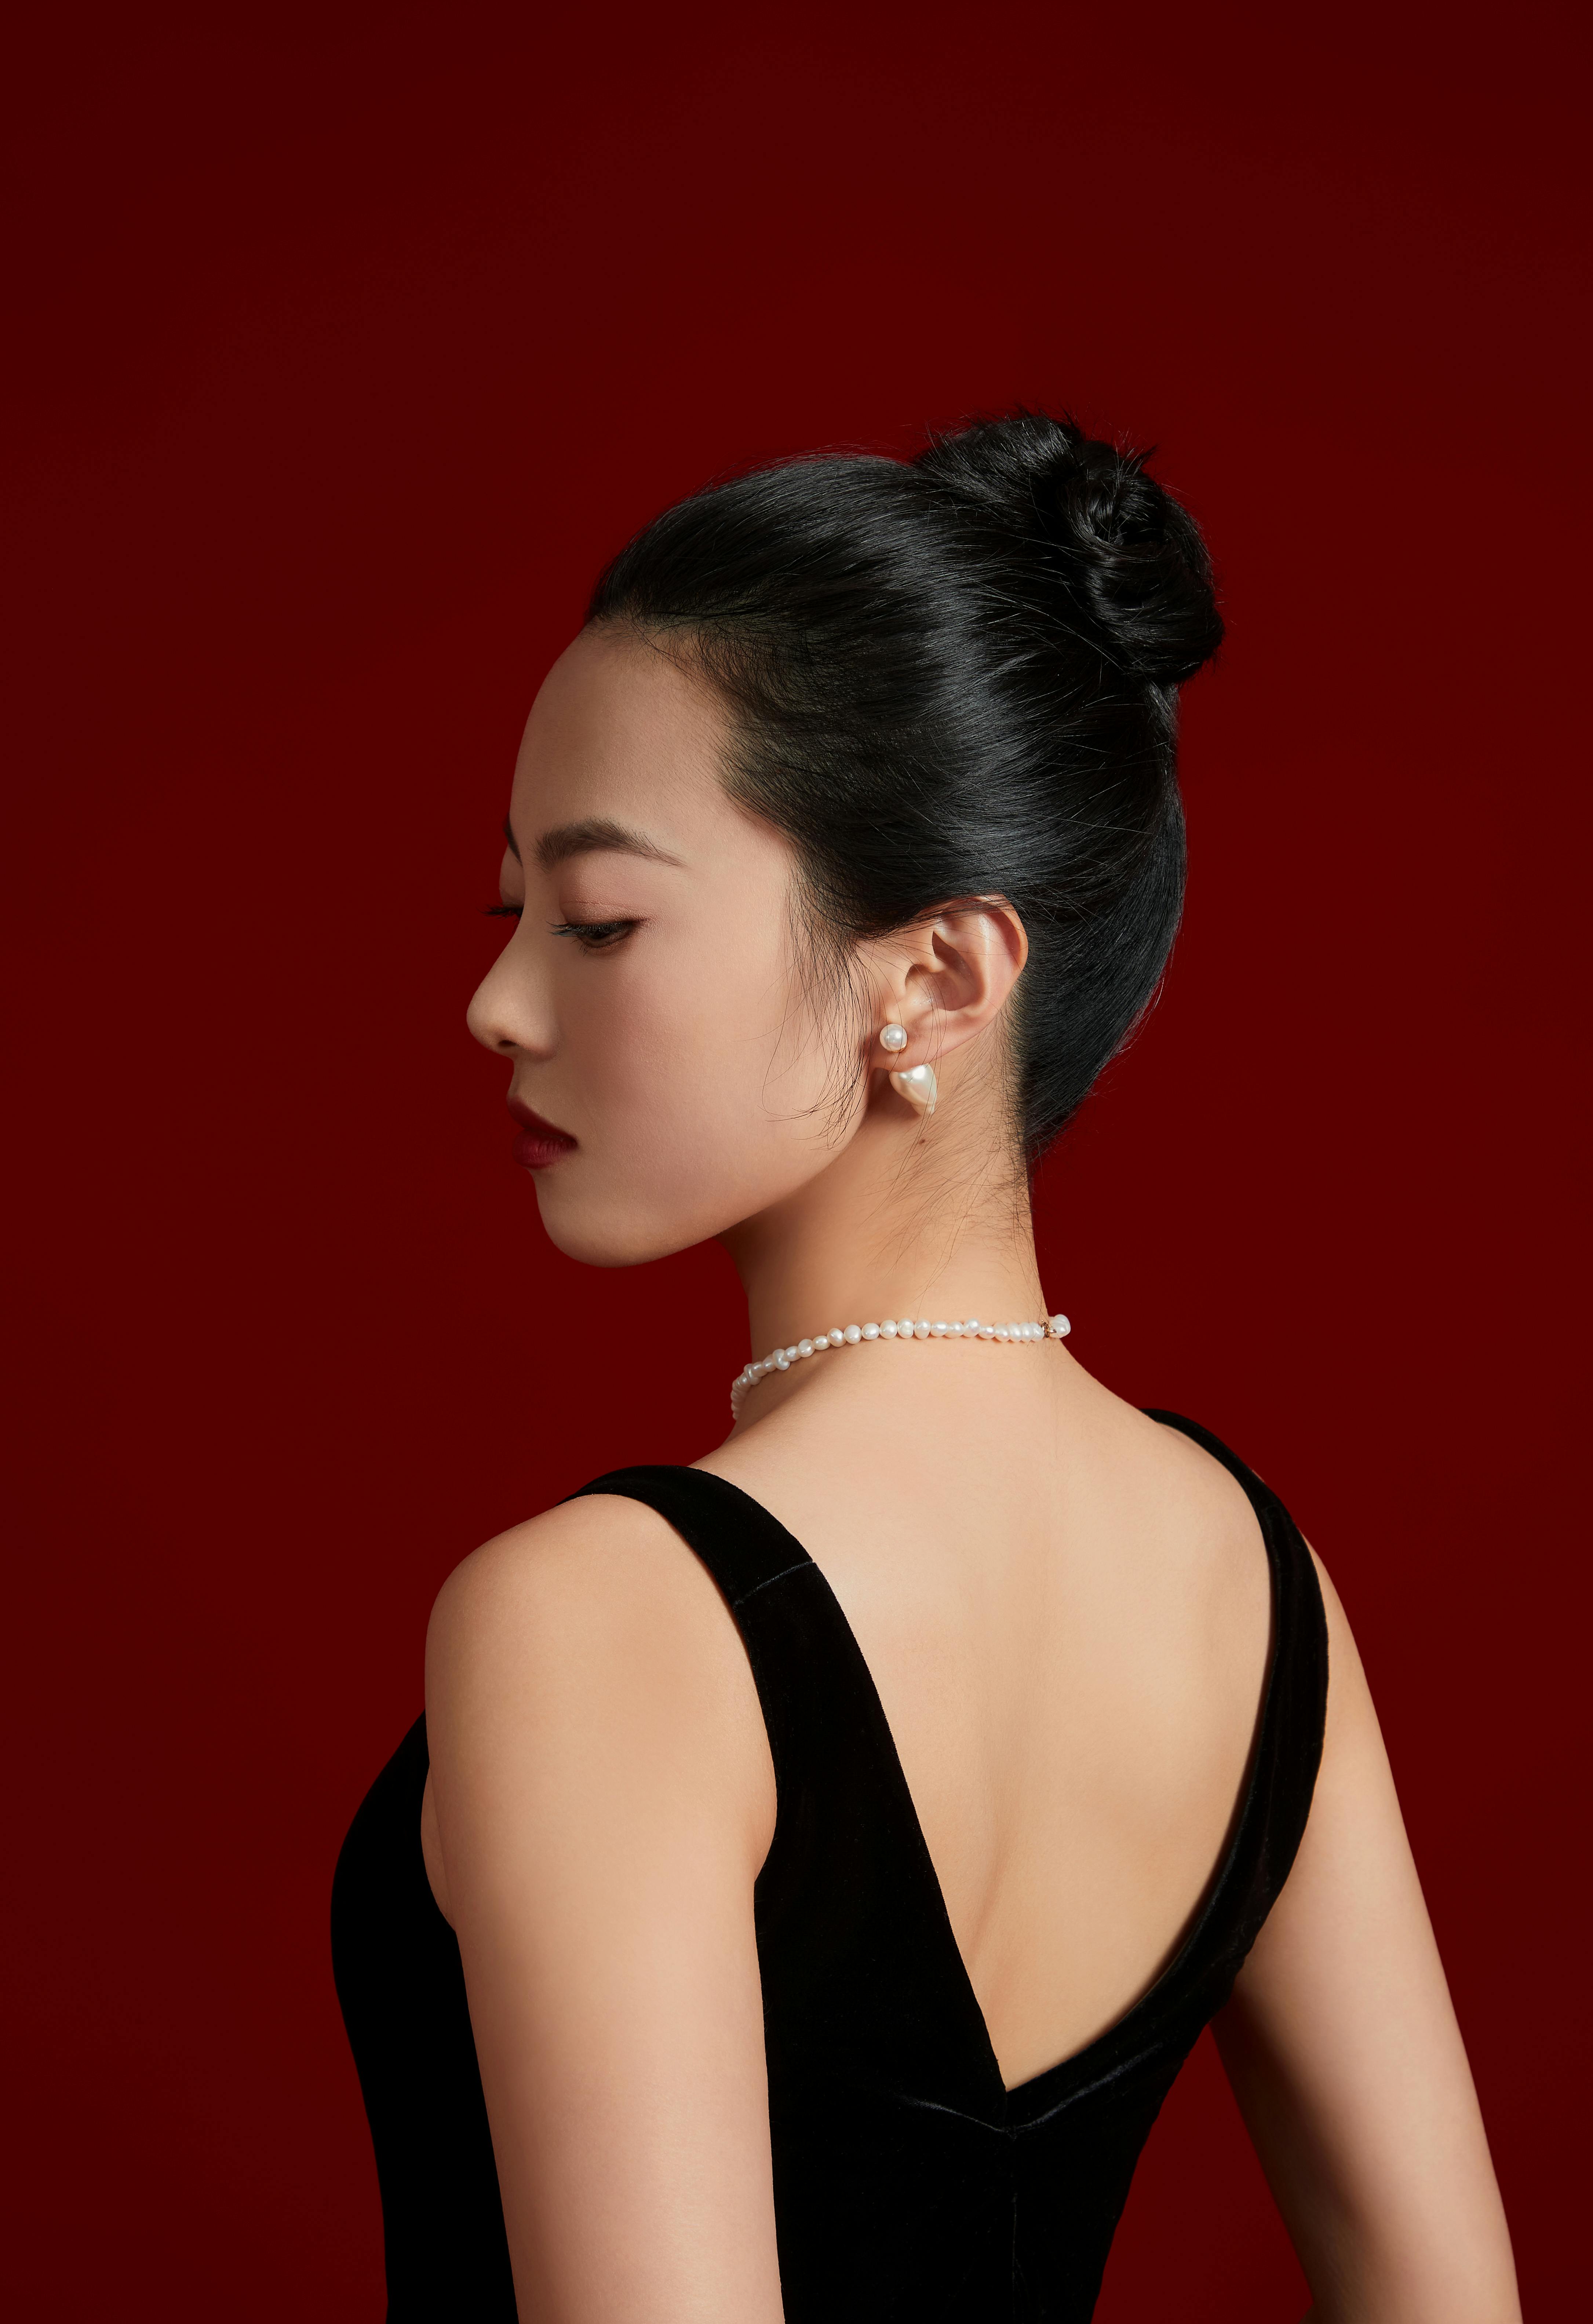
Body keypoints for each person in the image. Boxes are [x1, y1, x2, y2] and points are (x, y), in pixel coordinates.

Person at [331, 413, 1520, 2322]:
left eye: (600, 917)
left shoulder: (604, 1615)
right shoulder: (1253, 1583)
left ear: (940, 978)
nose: (500, 999)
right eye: (513, 909)